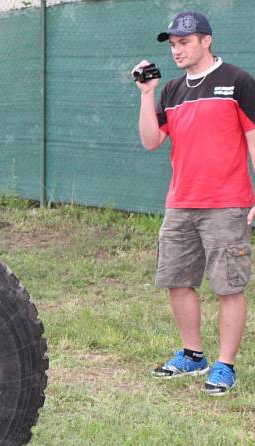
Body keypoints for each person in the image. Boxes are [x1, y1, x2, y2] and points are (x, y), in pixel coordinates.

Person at [135, 11, 255, 395]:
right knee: (176, 280)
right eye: (172, 45)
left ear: (206, 41)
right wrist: (147, 93)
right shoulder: (170, 91)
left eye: (184, 42)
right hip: (180, 203)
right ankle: (193, 355)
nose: (177, 51)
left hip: (227, 203)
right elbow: (151, 141)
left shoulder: (237, 82)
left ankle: (225, 365)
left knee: (228, 287)